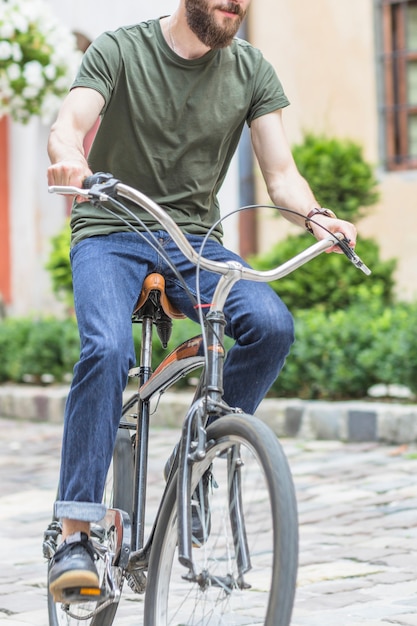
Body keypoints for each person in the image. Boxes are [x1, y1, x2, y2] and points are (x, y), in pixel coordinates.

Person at [47, 0, 357, 602]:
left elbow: (282, 174)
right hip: (111, 229)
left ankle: (198, 460)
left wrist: (316, 216)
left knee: (270, 325)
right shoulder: (121, 48)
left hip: (194, 240)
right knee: (106, 348)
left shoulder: (251, 70)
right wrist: (71, 158)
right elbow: (70, 120)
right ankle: (76, 533)